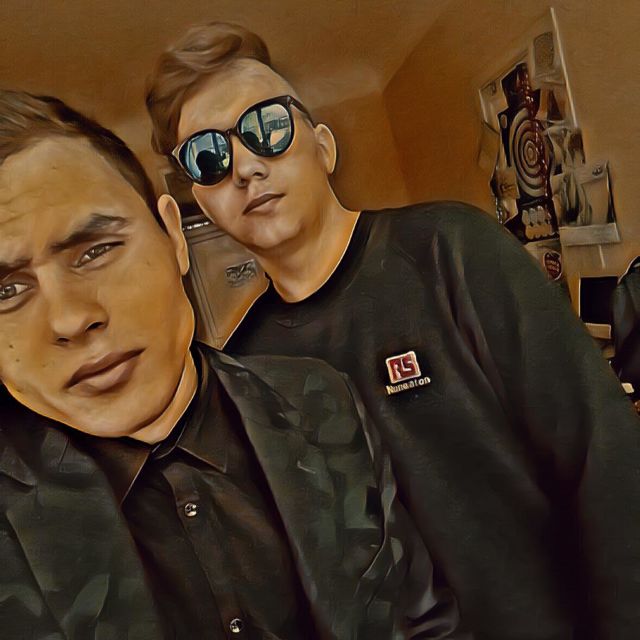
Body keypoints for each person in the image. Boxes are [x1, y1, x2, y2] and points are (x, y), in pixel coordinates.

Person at [146, 22, 640, 639]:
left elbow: (606, 462)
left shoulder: (450, 249)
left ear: (324, 147)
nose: (245, 166)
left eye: (266, 127)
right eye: (208, 157)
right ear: (200, 201)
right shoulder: (246, 371)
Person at [0, 91, 469, 639]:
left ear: (174, 236)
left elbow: (419, 619)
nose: (71, 318)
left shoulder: (320, 398)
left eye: (94, 251)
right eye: (6, 290)